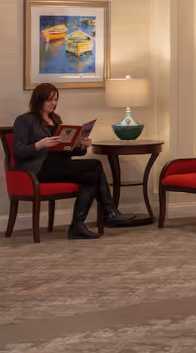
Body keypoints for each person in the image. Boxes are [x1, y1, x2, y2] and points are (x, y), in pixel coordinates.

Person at [12, 83, 139, 239]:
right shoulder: (25, 120)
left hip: (59, 165)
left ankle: (80, 225)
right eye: (50, 100)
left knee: (91, 176)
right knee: (95, 166)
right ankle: (109, 213)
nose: (54, 103)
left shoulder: (56, 119)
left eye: (56, 99)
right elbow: (18, 151)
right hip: (38, 170)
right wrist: (39, 144)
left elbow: (66, 149)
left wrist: (81, 145)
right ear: (39, 100)